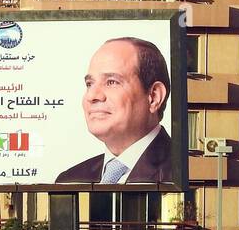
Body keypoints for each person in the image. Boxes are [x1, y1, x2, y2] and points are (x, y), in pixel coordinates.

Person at [56, 37, 172, 185]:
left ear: (154, 96)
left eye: (111, 82)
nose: (92, 96)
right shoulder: (68, 180)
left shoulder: (187, 173)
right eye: (89, 84)